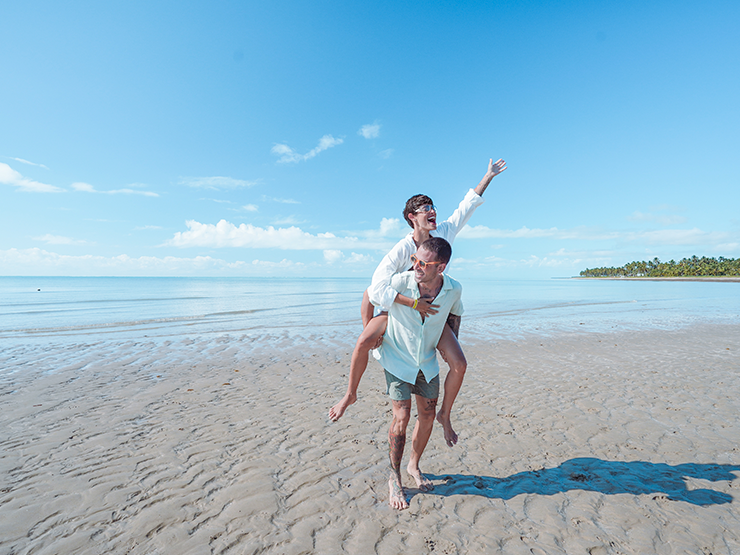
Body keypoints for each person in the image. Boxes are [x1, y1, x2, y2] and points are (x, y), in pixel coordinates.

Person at [329, 158, 506, 447]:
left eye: (432, 206)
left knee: (459, 363)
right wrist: (403, 309)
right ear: (412, 217)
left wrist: (488, 176)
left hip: (432, 313)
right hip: (399, 311)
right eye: (425, 208)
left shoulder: (443, 233)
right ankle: (350, 394)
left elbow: (468, 205)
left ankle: (445, 415)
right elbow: (374, 289)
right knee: (363, 340)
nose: (432, 210)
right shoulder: (403, 248)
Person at [376, 237, 462, 509]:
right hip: (398, 359)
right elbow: (371, 294)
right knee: (401, 417)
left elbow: (454, 316)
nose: (416, 266)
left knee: (426, 416)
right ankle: (394, 477)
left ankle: (414, 465)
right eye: (415, 260)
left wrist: (448, 347)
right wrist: (371, 331)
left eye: (424, 263)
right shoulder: (401, 282)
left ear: (441, 267)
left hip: (426, 362)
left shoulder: (453, 289)